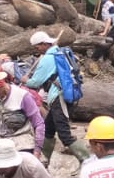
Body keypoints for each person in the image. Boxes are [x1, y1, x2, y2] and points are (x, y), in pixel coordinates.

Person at [24, 31, 89, 162]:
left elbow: (35, 82)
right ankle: (42, 161)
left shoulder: (48, 58)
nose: (36, 50)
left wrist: (25, 80)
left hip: (59, 98)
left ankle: (87, 161)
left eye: (37, 47)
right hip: (61, 96)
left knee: (64, 135)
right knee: (48, 130)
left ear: (43, 44)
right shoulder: (59, 53)